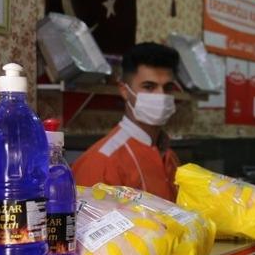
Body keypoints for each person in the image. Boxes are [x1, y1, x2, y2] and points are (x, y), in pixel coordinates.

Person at [72, 42, 181, 201]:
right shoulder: (100, 162)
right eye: (149, 87)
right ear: (124, 91)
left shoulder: (170, 157)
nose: (161, 95)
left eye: (168, 88)